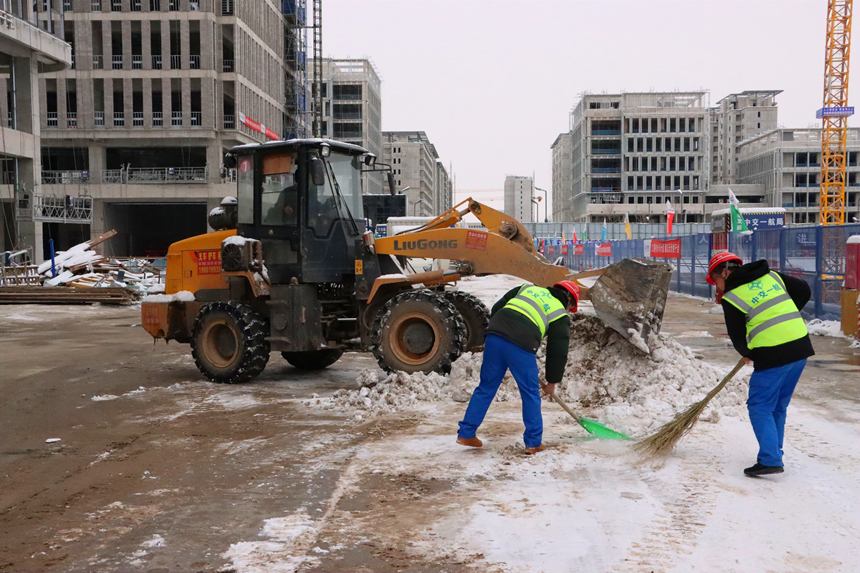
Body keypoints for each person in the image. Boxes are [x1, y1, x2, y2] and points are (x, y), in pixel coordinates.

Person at [707, 251, 814, 477]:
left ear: (725, 273)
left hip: (773, 352)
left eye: (715, 280)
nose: (717, 286)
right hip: (800, 346)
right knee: (777, 405)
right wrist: (787, 315)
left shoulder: (732, 296)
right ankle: (774, 452)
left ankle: (770, 459)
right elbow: (804, 289)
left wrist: (746, 352)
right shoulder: (771, 277)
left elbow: (736, 334)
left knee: (759, 405)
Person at [456, 281, 580, 454]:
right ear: (570, 302)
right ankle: (533, 443)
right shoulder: (559, 312)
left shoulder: (527, 288)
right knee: (530, 393)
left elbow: (498, 307)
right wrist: (552, 381)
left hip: (494, 336)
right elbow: (557, 350)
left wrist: (502, 330)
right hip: (521, 345)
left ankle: (466, 433)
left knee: (486, 387)